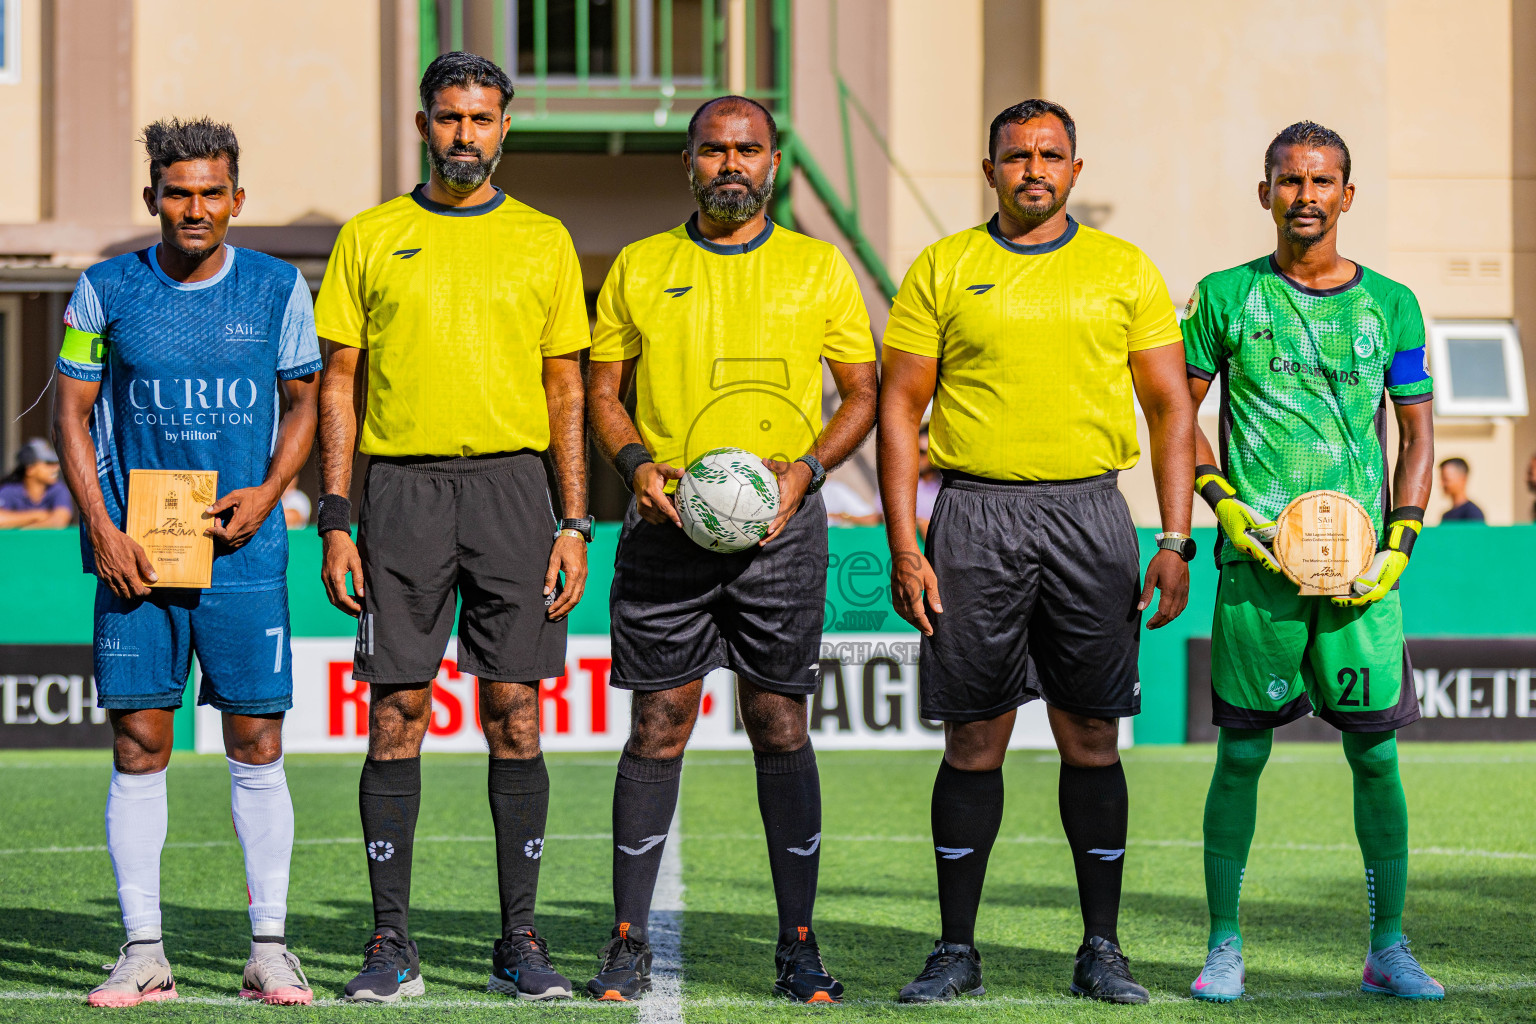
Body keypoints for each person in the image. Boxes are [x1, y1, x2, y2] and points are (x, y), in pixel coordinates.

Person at [878, 99, 1195, 1005]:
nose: (1033, 170)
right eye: (1015, 156)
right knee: (974, 737)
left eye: (1050, 155)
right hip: (975, 516)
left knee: (1091, 734)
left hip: (1093, 516)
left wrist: (1174, 538)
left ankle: (1102, 949)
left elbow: (1172, 409)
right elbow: (900, 409)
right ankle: (954, 950)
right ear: (990, 172)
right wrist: (906, 544)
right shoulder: (944, 268)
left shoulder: (1123, 269)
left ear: (1075, 171)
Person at [585, 95, 877, 1003]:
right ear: (689, 162)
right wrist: (634, 463)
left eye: (747, 148)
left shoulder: (818, 268)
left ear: (774, 162)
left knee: (779, 722)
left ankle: (798, 942)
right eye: (713, 149)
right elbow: (603, 393)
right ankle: (628, 939)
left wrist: (805, 472)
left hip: (781, 535)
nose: (730, 164)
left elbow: (860, 396)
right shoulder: (639, 266)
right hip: (666, 527)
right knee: (659, 722)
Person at [313, 52, 590, 1003]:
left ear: (505, 127)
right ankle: (391, 943)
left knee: (514, 711)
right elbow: (339, 384)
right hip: (402, 497)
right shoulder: (370, 235)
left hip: (516, 493)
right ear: (423, 124)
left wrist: (576, 521)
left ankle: (520, 941)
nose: (464, 134)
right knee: (398, 711)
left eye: (481, 119)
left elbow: (566, 389)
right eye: (447, 118)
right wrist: (336, 518)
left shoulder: (544, 240)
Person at [53, 118, 321, 1006]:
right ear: (152, 198)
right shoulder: (102, 290)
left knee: (257, 741)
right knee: (138, 741)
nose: (194, 208)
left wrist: (273, 489)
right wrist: (98, 523)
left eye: (212, 192)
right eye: (178, 192)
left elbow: (303, 404)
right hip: (138, 552)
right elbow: (73, 413)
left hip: (243, 550)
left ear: (237, 199)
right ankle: (143, 952)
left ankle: (270, 950)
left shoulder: (281, 288)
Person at [1181, 121, 1442, 1002]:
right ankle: (1224, 944)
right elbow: (1177, 426)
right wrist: (1220, 506)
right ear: (1265, 194)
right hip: (1258, 572)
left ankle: (1388, 948)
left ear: (1348, 194)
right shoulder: (1223, 297)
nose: (1306, 196)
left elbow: (1416, 432)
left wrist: (1402, 539)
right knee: (1242, 757)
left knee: (1376, 760)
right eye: (1289, 181)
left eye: (1322, 181)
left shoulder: (1392, 305)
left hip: (1364, 577)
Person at [0, 438, 74, 528]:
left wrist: (25, 529)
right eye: (48, 463)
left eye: (55, 463)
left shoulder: (58, 489)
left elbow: (60, 520)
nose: (56, 468)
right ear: (30, 469)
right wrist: (38, 515)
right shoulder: (10, 490)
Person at [913, 426, 940, 541]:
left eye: (922, 452)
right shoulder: (900, 487)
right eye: (914, 450)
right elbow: (879, 516)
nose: (918, 456)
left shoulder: (945, 487)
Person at [1436, 458, 1484, 523]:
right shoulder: (1446, 516)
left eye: (1446, 479)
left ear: (1463, 478)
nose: (1442, 484)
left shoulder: (1473, 514)